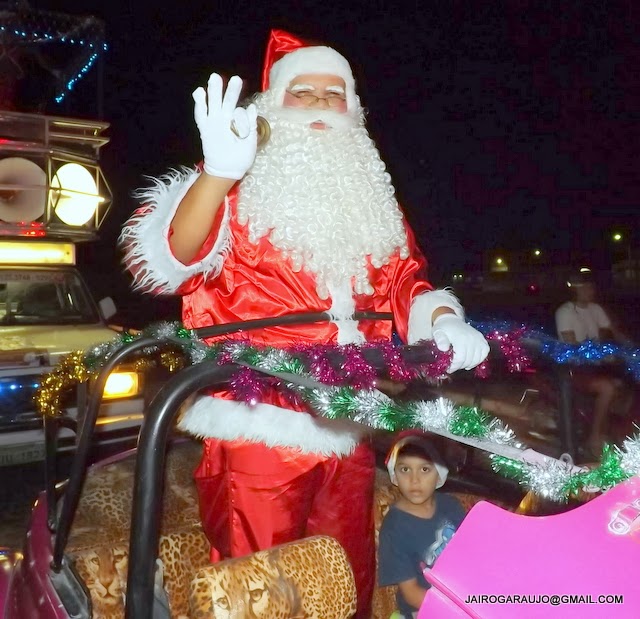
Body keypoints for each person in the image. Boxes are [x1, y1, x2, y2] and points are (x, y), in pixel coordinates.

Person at [119, 29, 489, 617]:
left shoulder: (372, 198)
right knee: (259, 584)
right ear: (272, 105)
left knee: (347, 574)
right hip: (260, 425)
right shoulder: (237, 183)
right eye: (303, 93)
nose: (319, 105)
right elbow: (173, 262)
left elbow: (405, 280)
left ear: (353, 110)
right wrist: (216, 174)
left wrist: (444, 319)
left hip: (349, 422)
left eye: (331, 94)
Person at [378, 432, 465, 618]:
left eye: (424, 470)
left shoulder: (452, 506)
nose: (414, 480)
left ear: (439, 475)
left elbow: (472, 554)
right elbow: (411, 593)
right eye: (405, 470)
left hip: (461, 594)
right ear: (394, 475)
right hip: (423, 607)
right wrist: (454, 611)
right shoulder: (394, 528)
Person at [555, 272, 633, 456]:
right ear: (576, 290)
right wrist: (600, 356)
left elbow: (615, 332)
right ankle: (594, 437)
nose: (591, 290)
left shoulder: (595, 309)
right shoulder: (564, 312)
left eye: (591, 286)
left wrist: (631, 348)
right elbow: (572, 345)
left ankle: (613, 430)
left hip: (595, 365)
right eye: (586, 287)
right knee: (608, 388)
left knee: (625, 385)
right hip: (573, 366)